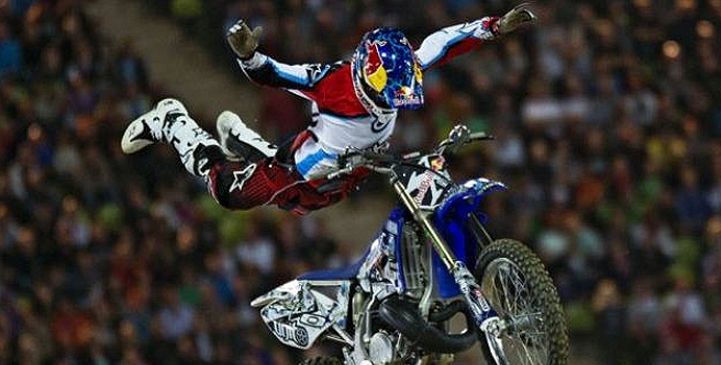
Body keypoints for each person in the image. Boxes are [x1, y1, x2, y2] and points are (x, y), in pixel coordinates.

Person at [120, 4, 537, 215]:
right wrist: (249, 56)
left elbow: (443, 41)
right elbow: (276, 74)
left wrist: (494, 26)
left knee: (330, 200)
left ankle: (240, 139)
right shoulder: (332, 82)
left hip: (352, 165)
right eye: (389, 90)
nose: (395, 98)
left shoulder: (400, 69)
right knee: (227, 195)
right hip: (301, 170)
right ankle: (172, 120)